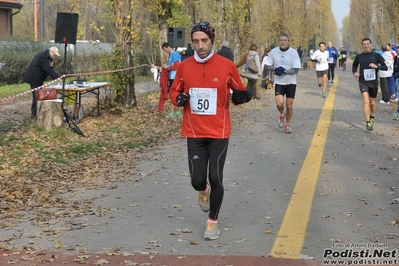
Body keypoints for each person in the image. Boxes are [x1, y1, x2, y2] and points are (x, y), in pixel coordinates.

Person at [169, 21, 251, 241]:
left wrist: (243, 96)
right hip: (194, 132)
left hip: (219, 132)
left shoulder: (226, 65)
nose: (200, 46)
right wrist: (177, 99)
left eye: (204, 41)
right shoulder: (185, 66)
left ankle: (212, 222)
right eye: (196, 41)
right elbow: (174, 89)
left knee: (216, 177)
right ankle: (202, 190)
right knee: (197, 181)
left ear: (211, 40)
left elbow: (239, 89)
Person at [265, 33, 301, 133]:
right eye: (281, 40)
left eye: (285, 40)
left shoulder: (293, 53)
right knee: (279, 104)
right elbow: (267, 66)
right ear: (278, 41)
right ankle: (281, 114)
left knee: (289, 105)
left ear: (288, 42)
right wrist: (276, 69)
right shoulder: (274, 52)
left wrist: (284, 71)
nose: (283, 42)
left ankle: (287, 124)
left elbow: (296, 69)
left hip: (291, 82)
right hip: (279, 82)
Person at [352, 38, 387, 131]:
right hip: (363, 81)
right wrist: (355, 72)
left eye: (368, 44)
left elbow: (385, 67)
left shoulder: (376, 55)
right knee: (366, 101)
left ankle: (372, 116)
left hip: (373, 82)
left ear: (370, 44)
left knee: (372, 103)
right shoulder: (359, 56)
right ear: (362, 46)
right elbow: (354, 65)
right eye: (364, 44)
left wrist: (377, 66)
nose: (366, 46)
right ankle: (367, 122)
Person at [23, 46, 61, 118]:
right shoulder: (43, 57)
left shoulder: (46, 56)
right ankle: (35, 114)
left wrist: (51, 66)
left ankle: (35, 113)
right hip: (34, 78)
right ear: (51, 52)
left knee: (37, 96)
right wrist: (58, 78)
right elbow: (47, 69)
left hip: (38, 78)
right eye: (54, 55)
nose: (54, 57)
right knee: (37, 96)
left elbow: (47, 68)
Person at [161, 42, 181, 117]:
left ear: (168, 47)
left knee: (173, 93)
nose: (165, 52)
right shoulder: (171, 55)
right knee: (174, 93)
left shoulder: (174, 54)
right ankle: (176, 111)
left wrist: (168, 67)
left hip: (175, 77)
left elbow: (177, 65)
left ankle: (174, 112)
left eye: (165, 50)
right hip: (171, 77)